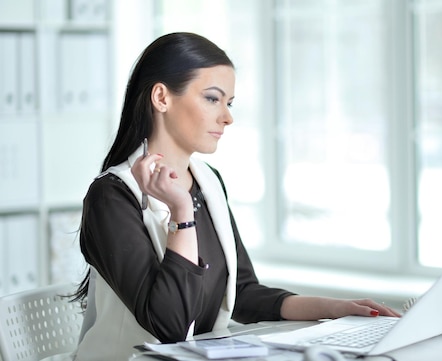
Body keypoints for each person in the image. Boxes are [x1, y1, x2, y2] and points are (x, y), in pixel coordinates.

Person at [71, 32, 400, 360]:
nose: (227, 117)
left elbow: (241, 292)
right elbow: (168, 325)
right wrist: (181, 213)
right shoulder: (110, 197)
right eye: (212, 99)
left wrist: (334, 308)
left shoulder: (208, 181)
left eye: (228, 103)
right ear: (161, 98)